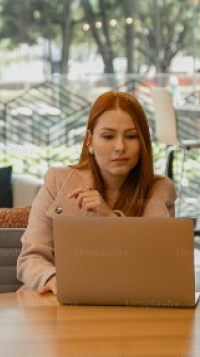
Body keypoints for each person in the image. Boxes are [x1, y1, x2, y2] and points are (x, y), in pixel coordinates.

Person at [18, 90, 177, 294]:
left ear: (143, 142)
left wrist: (109, 219)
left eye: (131, 136)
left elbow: (159, 267)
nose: (120, 147)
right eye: (108, 136)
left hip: (126, 310)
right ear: (89, 140)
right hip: (54, 305)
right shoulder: (58, 181)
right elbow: (30, 258)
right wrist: (53, 279)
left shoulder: (159, 191)